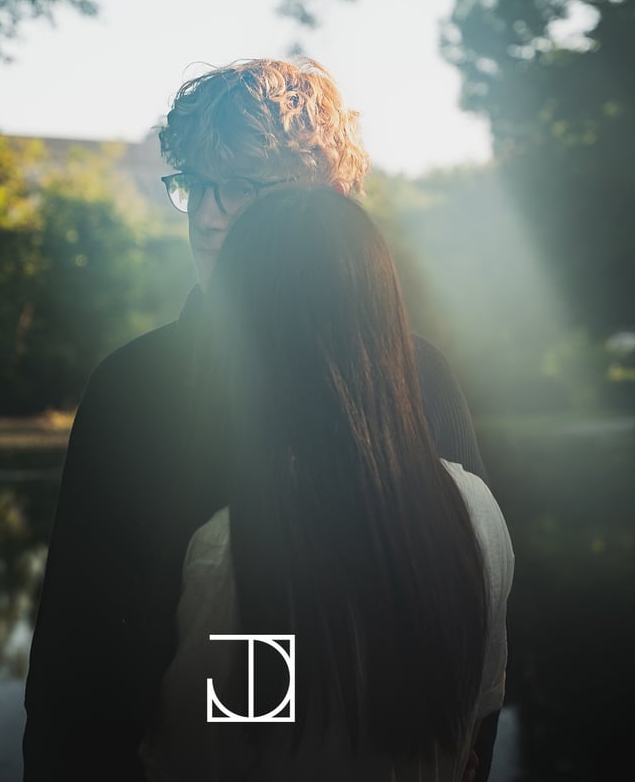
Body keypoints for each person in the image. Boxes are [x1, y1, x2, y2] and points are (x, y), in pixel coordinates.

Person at [22, 58, 496, 781]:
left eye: (241, 187)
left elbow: (465, 667)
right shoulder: (135, 388)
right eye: (194, 185)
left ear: (328, 198)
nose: (208, 215)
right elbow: (75, 684)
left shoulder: (420, 376)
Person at [139, 186, 514, 781]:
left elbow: (200, 763)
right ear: (386, 315)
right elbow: (475, 720)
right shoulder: (478, 515)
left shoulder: (235, 552)